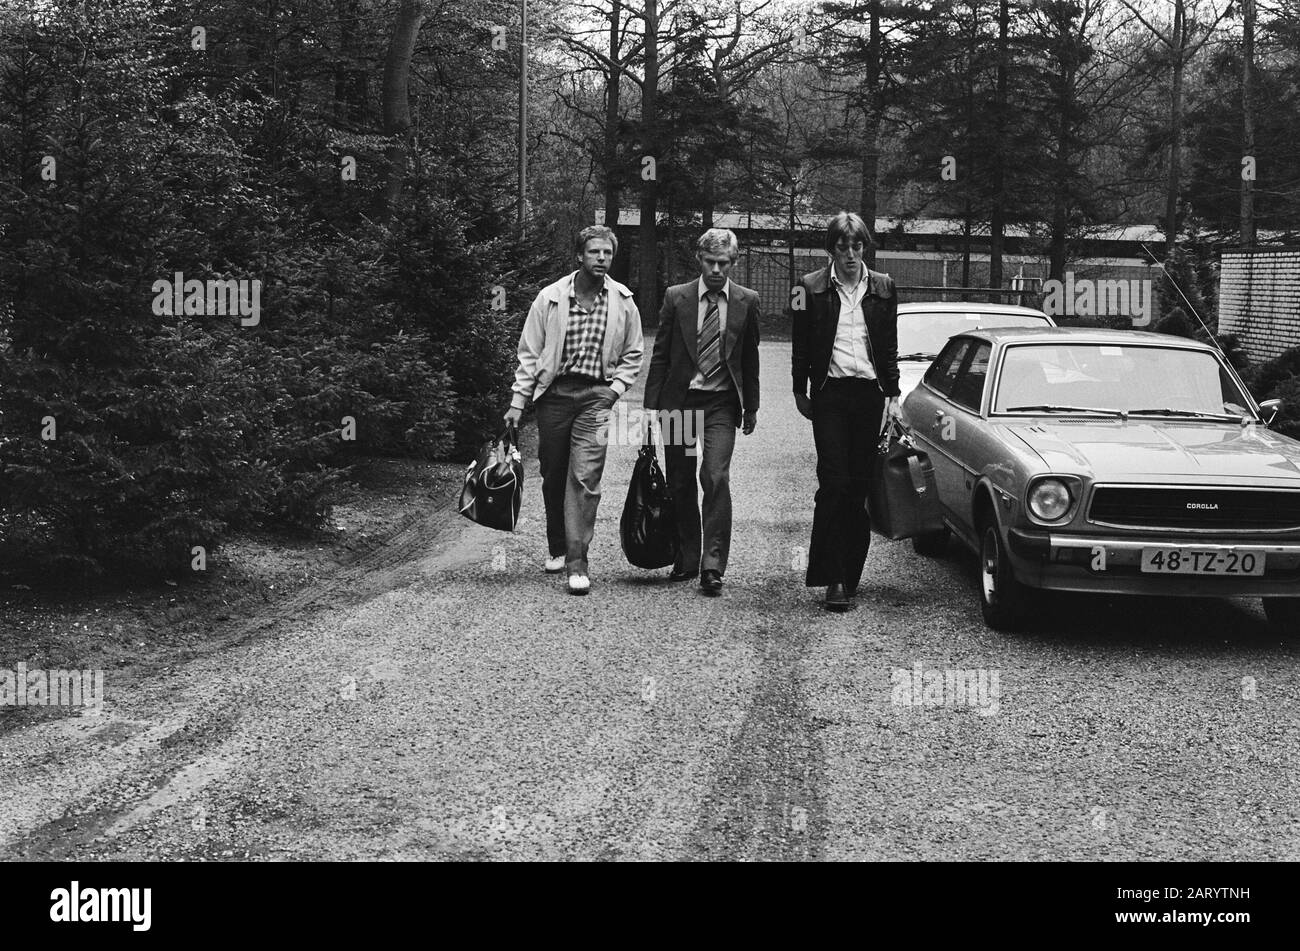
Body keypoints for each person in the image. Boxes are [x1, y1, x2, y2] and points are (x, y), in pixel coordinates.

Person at [505, 225, 644, 595]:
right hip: (554, 396)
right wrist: (519, 402)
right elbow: (529, 354)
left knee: (585, 476)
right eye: (595, 252)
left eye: (608, 254)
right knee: (553, 473)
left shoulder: (623, 301)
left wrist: (614, 390)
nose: (602, 259)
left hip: (596, 397)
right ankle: (557, 545)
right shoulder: (550, 299)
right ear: (579, 256)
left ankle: (577, 562)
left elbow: (634, 352)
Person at [788, 212, 901, 611]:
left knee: (858, 487)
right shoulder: (810, 288)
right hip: (830, 395)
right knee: (833, 482)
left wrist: (894, 393)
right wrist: (800, 390)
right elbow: (801, 345)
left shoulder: (884, 288)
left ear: (865, 247)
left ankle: (850, 574)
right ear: (831, 249)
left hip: (869, 395)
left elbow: (888, 346)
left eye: (857, 246)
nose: (851, 254)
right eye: (843, 246)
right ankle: (832, 576)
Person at [644, 228, 760, 595]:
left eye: (722, 263)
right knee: (679, 478)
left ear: (733, 263)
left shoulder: (747, 301)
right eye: (710, 262)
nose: (715, 269)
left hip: (721, 404)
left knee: (715, 475)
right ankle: (687, 554)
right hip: (680, 402)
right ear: (700, 259)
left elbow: (750, 358)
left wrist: (752, 407)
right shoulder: (677, 298)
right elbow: (661, 354)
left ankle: (713, 565)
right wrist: (650, 406)